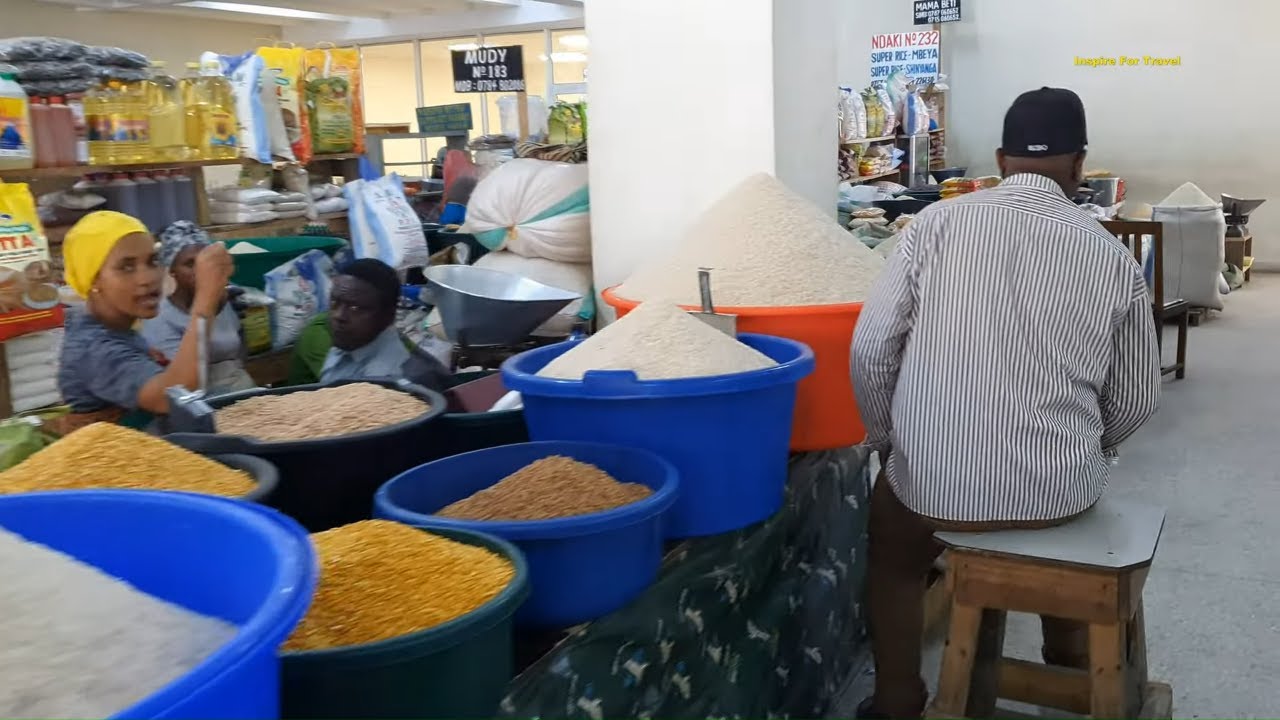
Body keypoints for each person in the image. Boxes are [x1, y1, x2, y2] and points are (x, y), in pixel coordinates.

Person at [849, 87, 1161, 719]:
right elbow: (1137, 399)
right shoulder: (1111, 257)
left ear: (999, 158)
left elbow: (871, 350)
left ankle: (897, 699)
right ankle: (1070, 667)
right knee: (1070, 517)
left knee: (894, 545)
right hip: (1057, 493)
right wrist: (1086, 448)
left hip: (931, 488)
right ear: (1079, 165)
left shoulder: (935, 226)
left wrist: (891, 442)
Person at [57, 211, 234, 432]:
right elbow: (176, 395)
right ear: (94, 279)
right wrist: (206, 298)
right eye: (126, 267)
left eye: (152, 261)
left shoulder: (116, 327)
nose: (147, 278)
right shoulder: (94, 348)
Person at [141, 222, 255, 396]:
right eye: (189, 264)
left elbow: (240, 353)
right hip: (201, 401)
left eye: (204, 263)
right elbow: (181, 386)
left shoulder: (223, 302)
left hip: (242, 389)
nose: (200, 271)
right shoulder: (161, 318)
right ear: (172, 270)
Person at [315, 258, 451, 392]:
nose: (338, 315)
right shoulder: (348, 344)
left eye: (355, 308)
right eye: (335, 302)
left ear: (388, 315)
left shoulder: (400, 382)